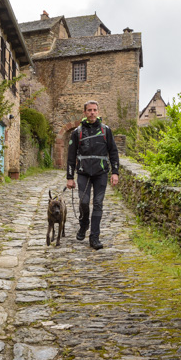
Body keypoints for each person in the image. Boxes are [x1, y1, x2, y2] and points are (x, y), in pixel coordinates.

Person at [66, 100, 119, 250]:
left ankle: (94, 237)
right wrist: (69, 177)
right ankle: (84, 224)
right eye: (89, 110)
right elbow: (71, 157)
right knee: (84, 202)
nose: (92, 113)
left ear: (98, 112)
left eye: (94, 110)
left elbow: (113, 152)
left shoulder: (105, 130)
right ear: (84, 113)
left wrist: (115, 172)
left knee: (97, 203)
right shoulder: (77, 132)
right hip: (83, 173)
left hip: (101, 173)